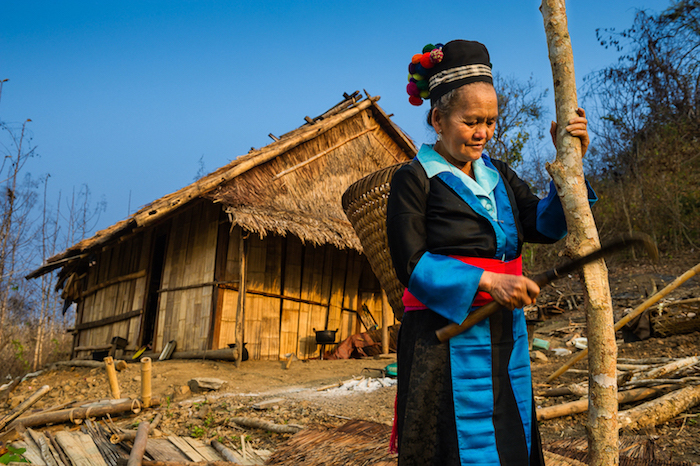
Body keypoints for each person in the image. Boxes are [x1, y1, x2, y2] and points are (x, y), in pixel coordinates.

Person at [387, 40, 594, 465]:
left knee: (510, 434)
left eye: (491, 121)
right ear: (438, 118)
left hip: (504, 333)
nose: (483, 132)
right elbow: (411, 264)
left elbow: (543, 225)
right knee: (452, 447)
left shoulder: (498, 173)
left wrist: (568, 166)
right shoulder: (413, 179)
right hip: (443, 339)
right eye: (471, 122)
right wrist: (487, 281)